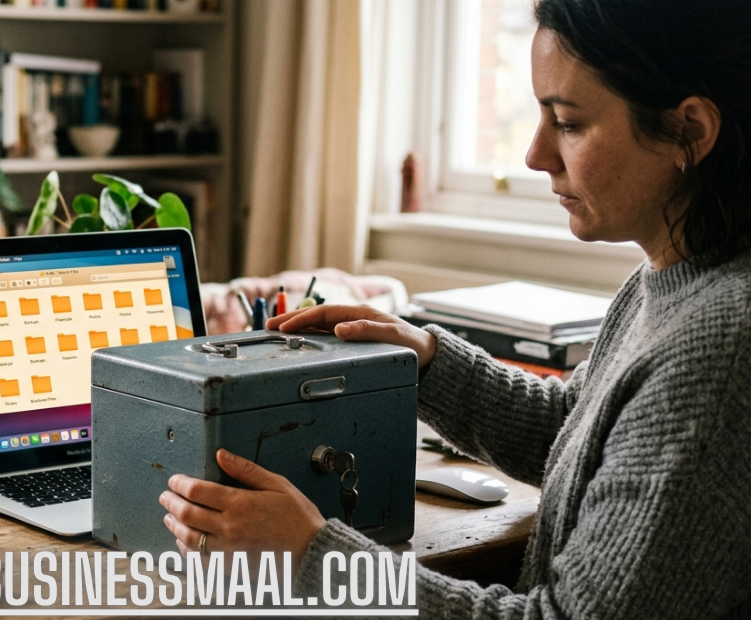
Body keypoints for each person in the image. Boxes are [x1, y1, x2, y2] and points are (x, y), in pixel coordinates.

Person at [159, 0, 751, 616]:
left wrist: (314, 558)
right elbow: (581, 431)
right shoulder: (667, 280)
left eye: (569, 123)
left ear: (689, 131)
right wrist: (424, 359)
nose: (536, 154)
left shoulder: (719, 347)